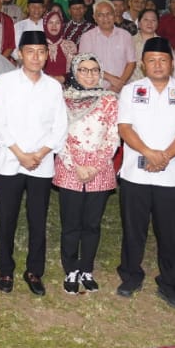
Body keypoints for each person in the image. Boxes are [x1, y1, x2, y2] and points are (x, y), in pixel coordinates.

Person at [115, 37, 175, 308]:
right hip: (135, 174)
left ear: (172, 63)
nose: (157, 64)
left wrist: (164, 157)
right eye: (151, 60)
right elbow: (125, 128)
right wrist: (150, 153)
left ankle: (169, 283)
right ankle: (130, 275)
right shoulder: (130, 91)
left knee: (170, 233)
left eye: (163, 60)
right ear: (143, 64)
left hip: (172, 175)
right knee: (133, 230)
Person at [0, 31, 67, 296]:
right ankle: (5, 269)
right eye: (30, 51)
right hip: (10, 160)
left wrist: (41, 152)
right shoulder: (5, 81)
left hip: (42, 162)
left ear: (47, 55)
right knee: (7, 218)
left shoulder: (54, 87)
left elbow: (60, 126)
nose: (36, 57)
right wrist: (21, 154)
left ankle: (34, 270)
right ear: (20, 53)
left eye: (41, 52)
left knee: (38, 219)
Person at [54, 53, 119, 294]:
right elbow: (58, 135)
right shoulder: (63, 100)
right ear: (74, 72)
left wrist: (95, 166)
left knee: (92, 225)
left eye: (94, 70)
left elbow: (113, 136)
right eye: (84, 70)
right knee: (71, 224)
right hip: (70, 168)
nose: (90, 75)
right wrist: (75, 165)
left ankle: (86, 268)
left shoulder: (110, 99)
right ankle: (71, 269)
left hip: (99, 170)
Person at [79, 0, 134, 94]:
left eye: (109, 14)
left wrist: (120, 83)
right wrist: (112, 79)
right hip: (96, 90)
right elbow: (86, 64)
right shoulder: (87, 37)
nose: (105, 18)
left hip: (123, 89)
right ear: (94, 18)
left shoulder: (125, 35)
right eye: (100, 15)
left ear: (115, 14)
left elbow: (131, 62)